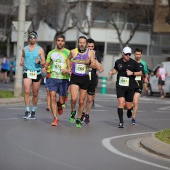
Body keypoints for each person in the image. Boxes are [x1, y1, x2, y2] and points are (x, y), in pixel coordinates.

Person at [108, 46, 142, 128]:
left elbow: (140, 73)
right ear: (122, 54)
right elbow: (116, 69)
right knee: (121, 102)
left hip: (130, 87)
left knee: (128, 106)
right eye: (126, 54)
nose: (128, 56)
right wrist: (112, 72)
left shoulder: (134, 63)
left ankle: (130, 109)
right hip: (120, 85)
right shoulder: (118, 62)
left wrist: (132, 73)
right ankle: (121, 122)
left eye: (129, 54)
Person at [67, 36, 97, 128]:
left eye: (83, 42)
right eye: (80, 42)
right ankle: (73, 111)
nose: (82, 44)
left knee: (81, 101)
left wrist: (89, 62)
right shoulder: (73, 51)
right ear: (78, 43)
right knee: (74, 98)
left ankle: (79, 118)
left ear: (86, 44)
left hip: (85, 78)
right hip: (75, 77)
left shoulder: (91, 52)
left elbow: (94, 65)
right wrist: (69, 68)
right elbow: (68, 59)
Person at [43, 35, 70, 126]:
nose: (60, 42)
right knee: (52, 96)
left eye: (62, 41)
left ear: (64, 42)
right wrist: (44, 68)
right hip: (53, 78)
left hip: (63, 78)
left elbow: (72, 65)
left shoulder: (68, 53)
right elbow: (47, 63)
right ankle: (55, 118)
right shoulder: (51, 53)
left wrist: (68, 70)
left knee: (62, 101)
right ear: (56, 42)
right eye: (58, 40)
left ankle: (60, 105)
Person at [20, 31, 45, 120]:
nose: (32, 39)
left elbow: (44, 62)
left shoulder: (40, 49)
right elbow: (23, 56)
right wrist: (22, 61)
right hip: (27, 71)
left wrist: (40, 62)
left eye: (33, 37)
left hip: (36, 72)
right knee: (27, 91)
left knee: (35, 93)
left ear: (36, 38)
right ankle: (27, 111)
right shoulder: (24, 48)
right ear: (29, 38)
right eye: (30, 37)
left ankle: (33, 110)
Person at [81, 38, 104, 124]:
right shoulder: (82, 53)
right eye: (89, 46)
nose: (90, 48)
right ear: (86, 45)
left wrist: (98, 69)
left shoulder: (96, 54)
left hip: (93, 77)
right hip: (83, 76)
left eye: (92, 46)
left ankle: (87, 114)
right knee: (82, 98)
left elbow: (99, 66)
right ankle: (82, 113)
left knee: (90, 99)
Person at [132, 48, 149, 125]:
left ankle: (134, 118)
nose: (138, 56)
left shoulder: (144, 63)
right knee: (128, 103)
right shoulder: (131, 62)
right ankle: (129, 109)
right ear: (134, 54)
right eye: (136, 54)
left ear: (141, 55)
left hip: (138, 84)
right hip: (130, 84)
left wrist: (146, 79)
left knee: (135, 101)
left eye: (139, 54)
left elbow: (146, 72)